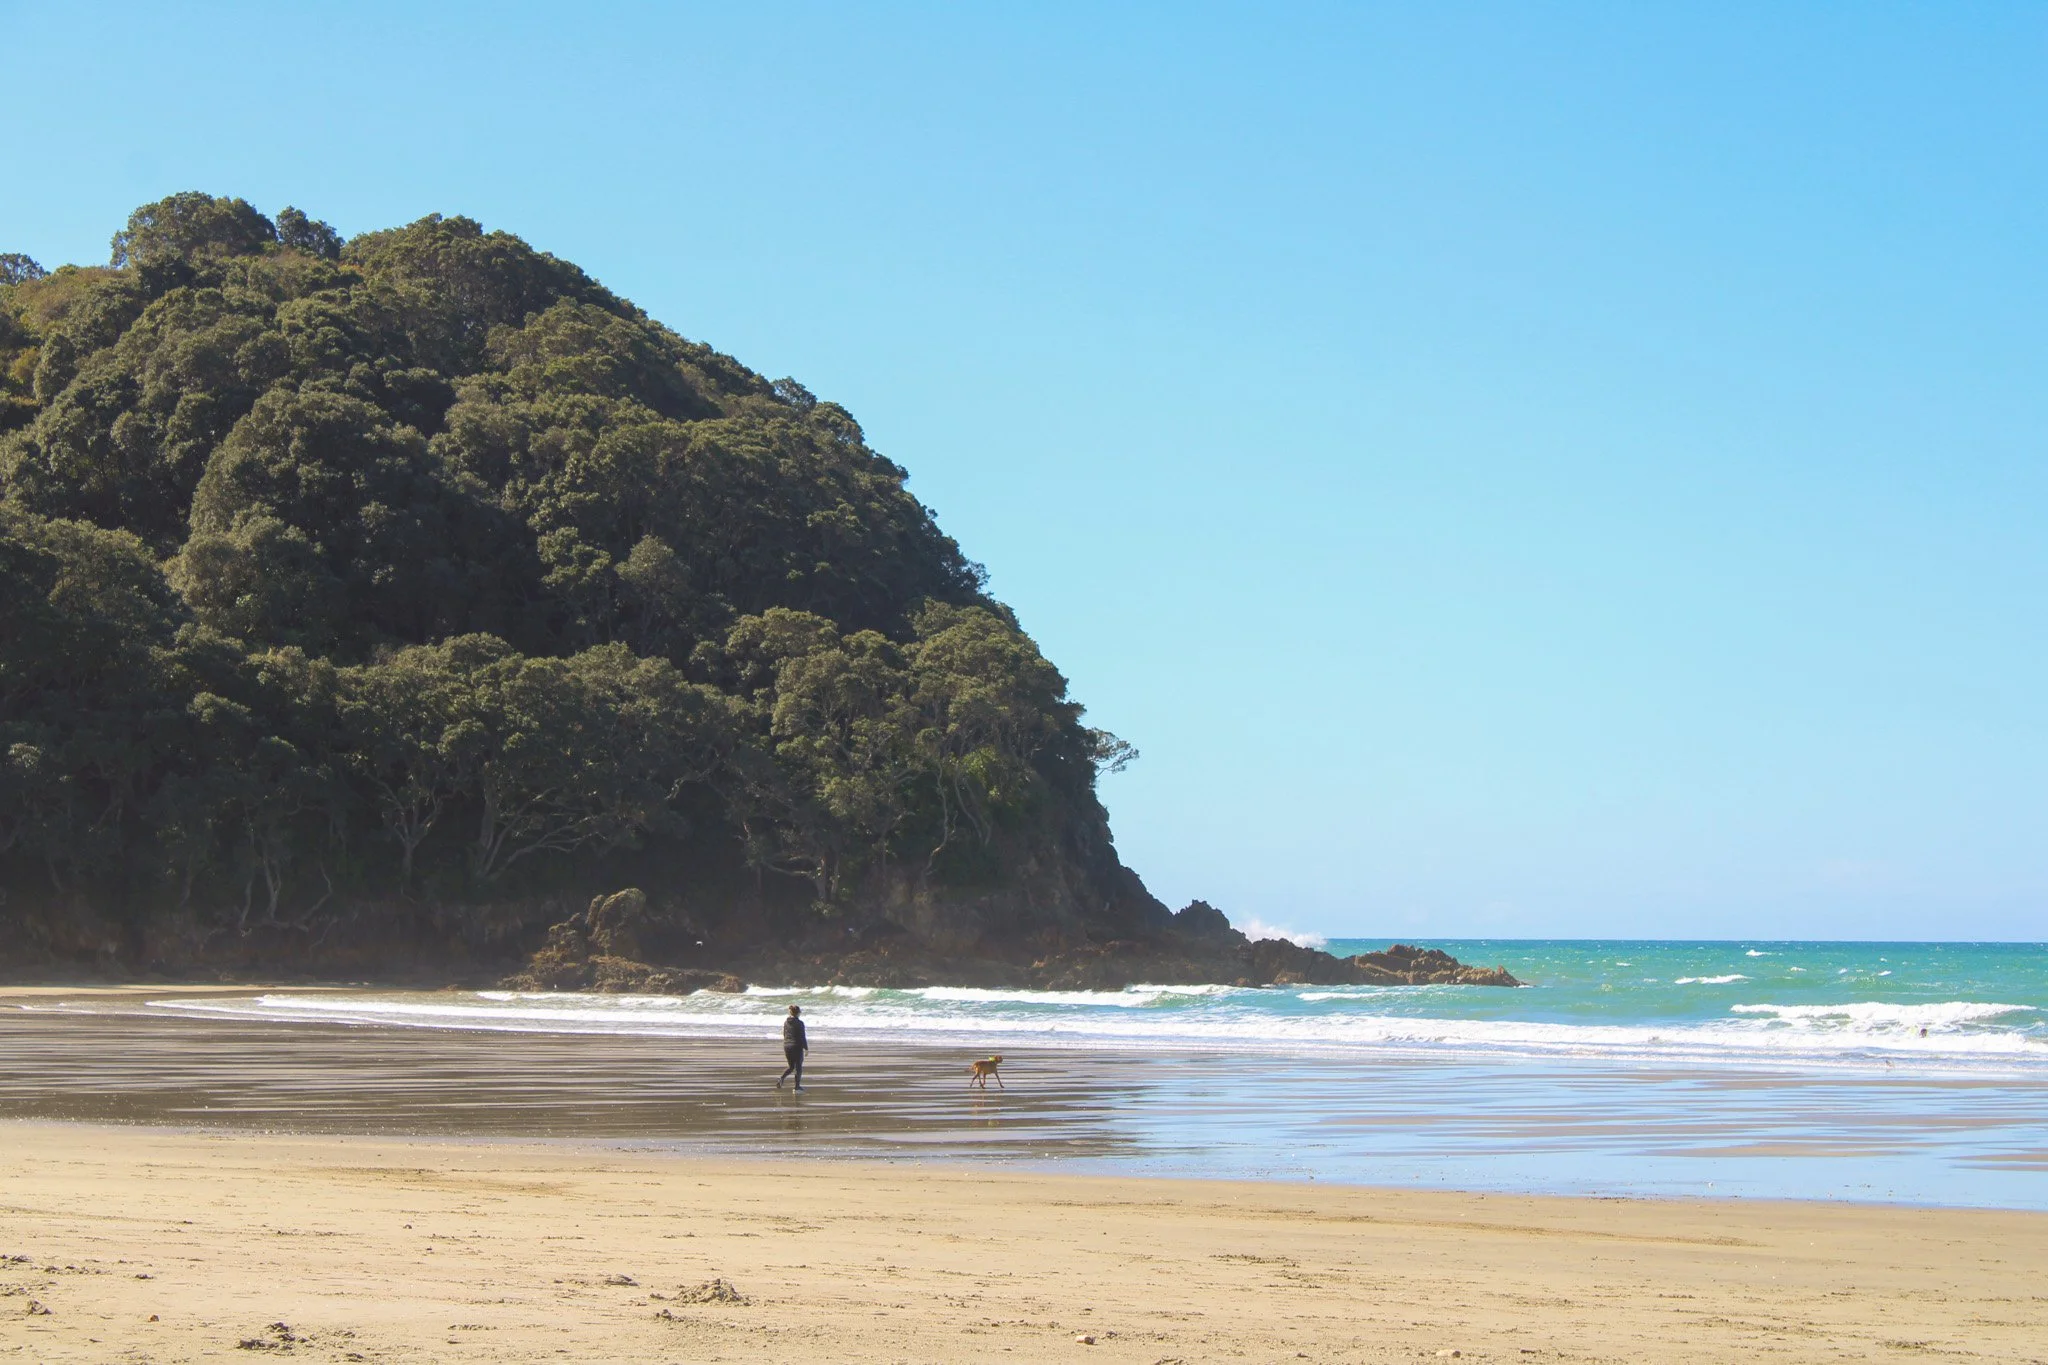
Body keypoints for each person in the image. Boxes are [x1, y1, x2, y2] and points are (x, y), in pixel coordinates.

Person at [776, 1004, 808, 1090]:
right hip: (796, 1046)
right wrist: (806, 1048)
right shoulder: (800, 1023)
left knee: (791, 1067)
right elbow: (802, 1036)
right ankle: (797, 1087)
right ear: (798, 1013)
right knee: (798, 1067)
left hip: (787, 1046)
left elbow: (784, 1034)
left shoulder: (786, 1022)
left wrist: (787, 1043)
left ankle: (781, 1078)